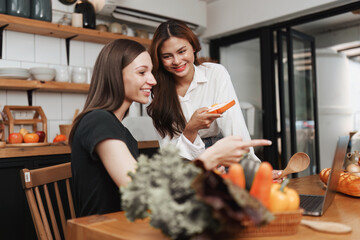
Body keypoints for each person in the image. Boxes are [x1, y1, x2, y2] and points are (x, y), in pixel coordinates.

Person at [69, 39, 272, 217]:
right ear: (114, 75)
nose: (153, 80)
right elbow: (142, 192)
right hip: (107, 232)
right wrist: (209, 159)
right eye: (142, 72)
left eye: (151, 71)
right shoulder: (98, 121)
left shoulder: (119, 129)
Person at [147, 19, 260, 162]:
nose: (176, 61)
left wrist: (253, 166)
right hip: (181, 161)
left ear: (193, 47)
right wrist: (191, 129)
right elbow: (167, 149)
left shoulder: (215, 73)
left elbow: (234, 124)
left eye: (182, 51)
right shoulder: (156, 90)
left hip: (219, 152)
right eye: (167, 56)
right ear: (160, 59)